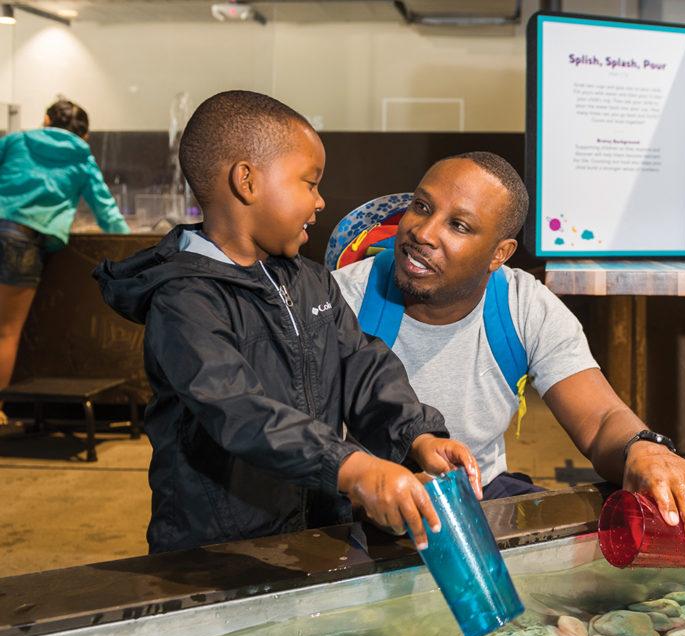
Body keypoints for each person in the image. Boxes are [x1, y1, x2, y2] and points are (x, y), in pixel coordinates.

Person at [93, 90, 479, 554]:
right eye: (309, 182)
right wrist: (355, 468)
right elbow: (238, 410)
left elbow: (360, 363)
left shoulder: (310, 280)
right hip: (217, 553)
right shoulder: (184, 300)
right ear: (247, 182)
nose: (319, 202)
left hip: (314, 530)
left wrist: (415, 433)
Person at [333, 152, 685, 548]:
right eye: (421, 206)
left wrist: (641, 449)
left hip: (480, 496)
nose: (423, 232)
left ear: (499, 254)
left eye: (459, 225)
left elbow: (601, 418)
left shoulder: (523, 306)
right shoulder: (340, 300)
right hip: (359, 503)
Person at [0, 99, 129, 425]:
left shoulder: (16, 141)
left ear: (45, 119)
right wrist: (130, 245)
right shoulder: (81, 157)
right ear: (84, 136)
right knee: (4, 333)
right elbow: (106, 212)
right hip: (22, 241)